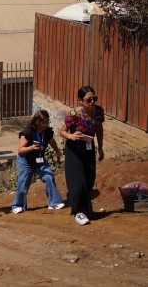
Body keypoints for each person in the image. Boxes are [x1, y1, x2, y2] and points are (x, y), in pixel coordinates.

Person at [60, 86, 104, 226]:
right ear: (80, 101)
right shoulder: (73, 114)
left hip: (89, 148)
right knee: (79, 181)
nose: (92, 102)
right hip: (74, 149)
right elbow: (62, 131)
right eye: (88, 100)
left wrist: (101, 148)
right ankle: (79, 212)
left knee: (90, 179)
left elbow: (99, 129)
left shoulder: (99, 112)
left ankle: (79, 204)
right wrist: (71, 136)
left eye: (94, 99)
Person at [11, 110, 64, 214]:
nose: (46, 124)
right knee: (23, 183)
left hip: (40, 160)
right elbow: (20, 150)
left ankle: (54, 202)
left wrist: (57, 151)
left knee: (49, 177)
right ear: (37, 122)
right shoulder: (28, 132)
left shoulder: (47, 132)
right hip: (25, 161)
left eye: (47, 122)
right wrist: (31, 148)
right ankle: (18, 205)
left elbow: (52, 142)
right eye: (44, 122)